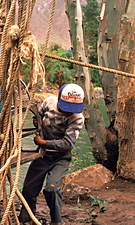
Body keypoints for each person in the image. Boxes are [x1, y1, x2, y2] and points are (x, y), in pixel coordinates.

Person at [18, 84, 85, 225]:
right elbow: (39, 114)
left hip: (61, 157)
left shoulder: (77, 118)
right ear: (59, 100)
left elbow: (68, 143)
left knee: (52, 189)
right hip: (42, 155)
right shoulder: (49, 102)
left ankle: (56, 221)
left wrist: (44, 142)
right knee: (29, 189)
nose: (68, 113)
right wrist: (37, 121)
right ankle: (26, 219)